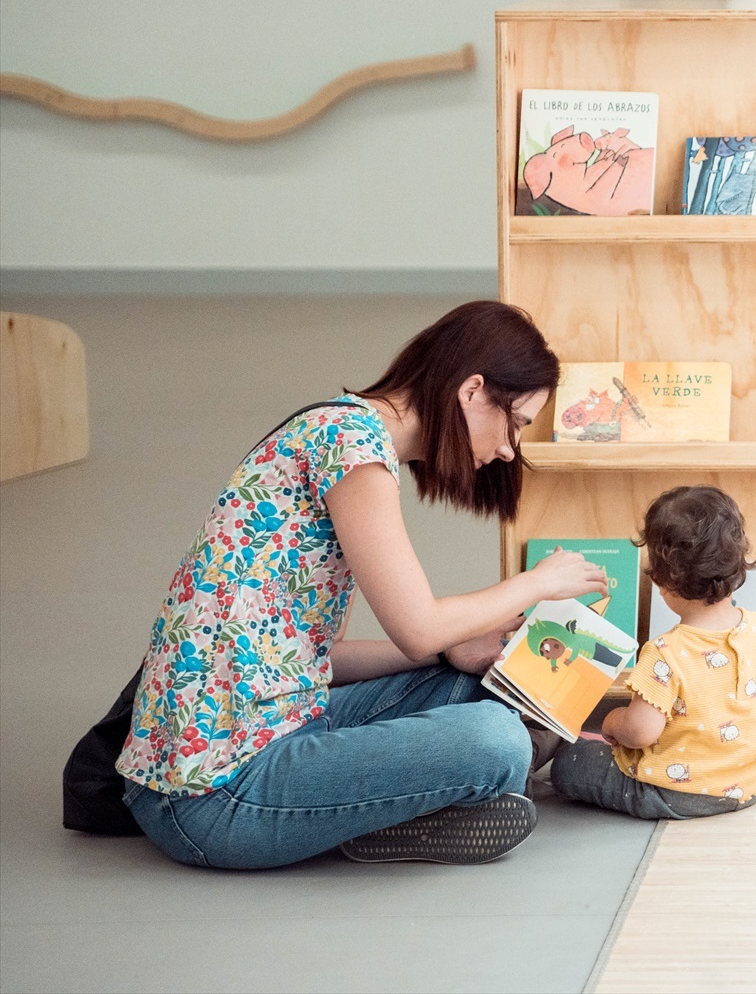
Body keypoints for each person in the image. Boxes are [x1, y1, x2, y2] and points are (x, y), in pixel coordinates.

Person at [116, 301, 612, 869]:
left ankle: (393, 809)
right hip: (212, 796)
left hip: (284, 724)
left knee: (489, 688)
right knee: (496, 737)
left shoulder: (344, 431)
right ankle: (418, 804)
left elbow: (324, 658)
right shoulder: (351, 446)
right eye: (517, 423)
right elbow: (417, 628)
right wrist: (536, 583)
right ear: (473, 391)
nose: (509, 449)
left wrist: (453, 652)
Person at [550, 486, 756, 819]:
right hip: (748, 781)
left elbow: (639, 733)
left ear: (664, 581)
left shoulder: (666, 652)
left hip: (675, 792)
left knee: (569, 764)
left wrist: (612, 720)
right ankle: (730, 770)